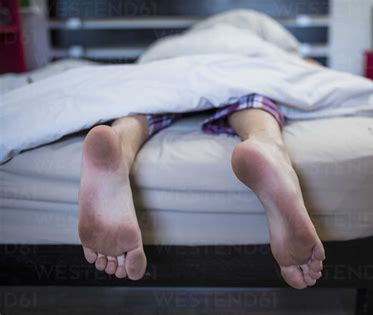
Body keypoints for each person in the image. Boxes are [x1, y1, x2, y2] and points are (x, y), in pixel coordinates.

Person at [78, 94, 325, 289]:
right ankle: (266, 144)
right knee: (253, 98)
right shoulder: (259, 42)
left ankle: (119, 143)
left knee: (147, 100)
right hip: (241, 68)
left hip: (168, 72)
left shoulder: (164, 51)